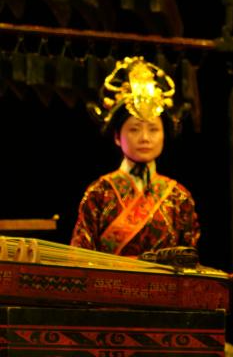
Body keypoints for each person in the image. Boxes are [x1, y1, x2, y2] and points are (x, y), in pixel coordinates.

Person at [70, 55, 200, 257]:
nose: (145, 138)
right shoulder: (99, 193)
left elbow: (189, 259)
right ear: (117, 136)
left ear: (164, 135)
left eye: (153, 129)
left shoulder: (179, 197)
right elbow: (80, 256)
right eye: (134, 129)